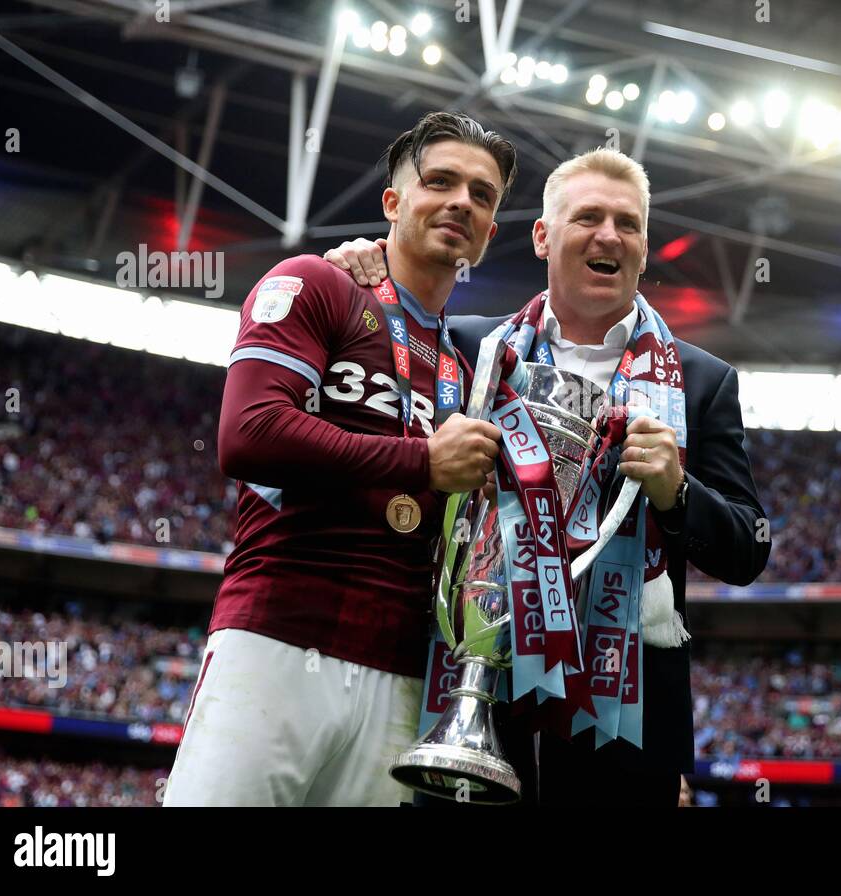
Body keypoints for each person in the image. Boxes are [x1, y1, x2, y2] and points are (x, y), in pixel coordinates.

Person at [324, 147, 769, 806]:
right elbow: (368, 348)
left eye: (629, 223)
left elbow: (748, 549)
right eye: (588, 216)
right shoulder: (467, 348)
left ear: (644, 249)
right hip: (473, 690)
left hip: (622, 726)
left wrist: (678, 493)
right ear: (543, 236)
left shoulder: (702, 382)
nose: (609, 235)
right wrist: (355, 269)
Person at [163, 112, 517, 806]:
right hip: (278, 639)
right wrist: (419, 462)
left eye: (482, 195)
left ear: (491, 231)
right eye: (440, 182)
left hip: (404, 675)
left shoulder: (470, 368)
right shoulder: (317, 283)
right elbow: (248, 435)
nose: (460, 203)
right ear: (392, 201)